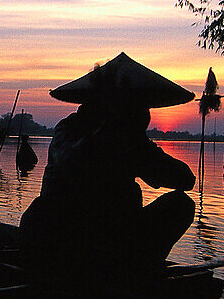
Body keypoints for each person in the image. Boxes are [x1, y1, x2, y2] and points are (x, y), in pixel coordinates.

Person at [20, 53, 196, 282]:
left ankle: (134, 271)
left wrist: (134, 142)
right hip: (61, 237)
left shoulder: (130, 140)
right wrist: (116, 131)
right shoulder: (70, 130)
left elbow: (185, 180)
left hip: (111, 240)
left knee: (180, 204)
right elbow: (73, 160)